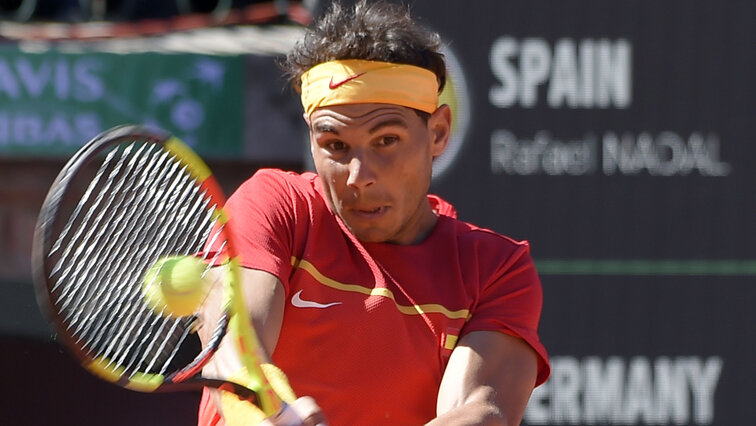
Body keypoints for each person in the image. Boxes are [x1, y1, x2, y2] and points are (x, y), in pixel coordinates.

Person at [197, 1, 550, 425]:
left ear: (437, 132)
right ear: (312, 140)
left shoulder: (495, 269)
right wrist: (264, 412)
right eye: (336, 146)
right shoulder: (274, 205)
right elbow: (234, 347)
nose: (358, 176)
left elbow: (479, 413)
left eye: (386, 140)